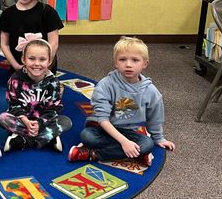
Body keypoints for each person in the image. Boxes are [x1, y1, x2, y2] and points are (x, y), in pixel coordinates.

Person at [69, 36, 176, 166]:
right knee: (87, 136)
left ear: (145, 64)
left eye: (135, 60)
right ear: (116, 63)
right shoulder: (105, 85)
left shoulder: (151, 91)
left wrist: (158, 138)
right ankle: (135, 154)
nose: (128, 64)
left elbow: (155, 117)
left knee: (148, 144)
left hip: (128, 130)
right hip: (102, 127)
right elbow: (102, 119)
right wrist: (124, 142)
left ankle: (93, 154)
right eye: (123, 60)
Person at [0, 38, 72, 152]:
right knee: (3, 118)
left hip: (44, 121)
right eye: (31, 58)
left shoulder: (53, 82)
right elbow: (13, 105)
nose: (36, 64)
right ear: (23, 59)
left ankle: (25, 140)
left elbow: (53, 109)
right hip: (22, 120)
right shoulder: (14, 80)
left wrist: (40, 124)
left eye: (42, 59)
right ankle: (48, 137)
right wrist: (26, 122)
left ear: (49, 62)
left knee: (66, 121)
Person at [0, 0, 63, 75]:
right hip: (19, 67)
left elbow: (54, 43)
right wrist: (16, 66)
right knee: (17, 90)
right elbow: (4, 44)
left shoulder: (48, 12)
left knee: (45, 90)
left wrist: (45, 65)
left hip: (43, 68)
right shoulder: (7, 14)